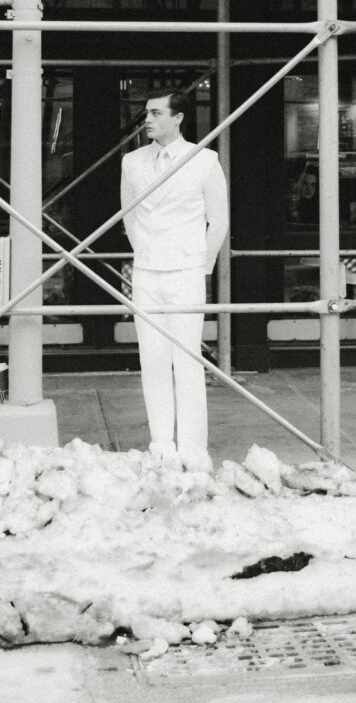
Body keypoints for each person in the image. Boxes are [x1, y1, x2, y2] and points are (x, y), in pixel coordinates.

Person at [120, 88, 229, 472]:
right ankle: (161, 444)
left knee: (187, 359)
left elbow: (218, 220)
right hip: (147, 272)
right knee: (152, 361)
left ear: (178, 117)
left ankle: (193, 448)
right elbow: (128, 215)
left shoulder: (204, 160)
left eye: (156, 113)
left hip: (185, 271)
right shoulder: (132, 162)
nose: (147, 119)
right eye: (146, 113)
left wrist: (199, 265)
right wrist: (146, 253)